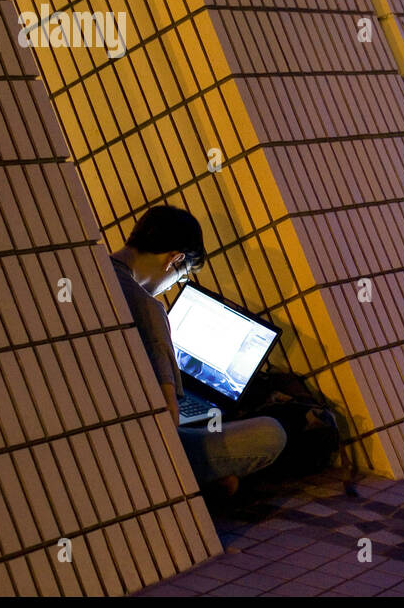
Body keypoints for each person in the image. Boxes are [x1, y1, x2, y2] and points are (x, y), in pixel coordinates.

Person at [110, 205, 285, 498]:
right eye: (180, 278)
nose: (170, 288)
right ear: (174, 258)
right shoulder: (148, 309)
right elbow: (168, 420)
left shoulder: (85, 270)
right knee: (271, 433)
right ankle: (203, 487)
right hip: (135, 454)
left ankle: (213, 483)